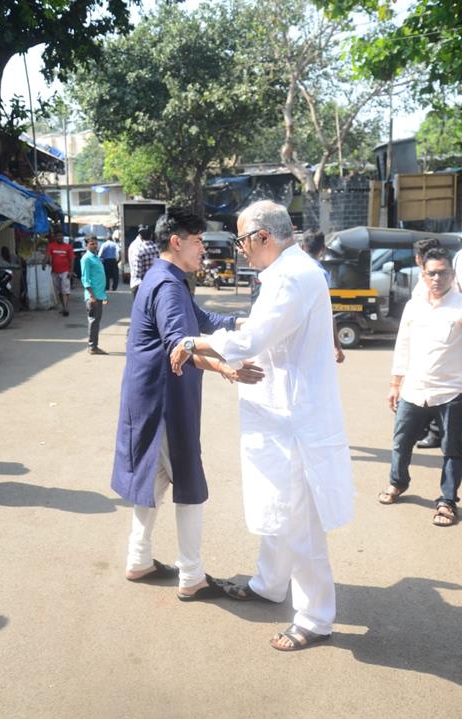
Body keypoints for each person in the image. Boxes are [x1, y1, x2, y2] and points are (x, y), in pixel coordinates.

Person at [171, 200, 353, 650]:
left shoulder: (293, 276)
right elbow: (262, 333)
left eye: (241, 241)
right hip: (277, 417)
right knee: (277, 509)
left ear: (262, 237)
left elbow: (252, 338)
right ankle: (270, 584)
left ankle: (315, 618)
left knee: (302, 523)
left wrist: (194, 340)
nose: (241, 250)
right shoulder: (284, 273)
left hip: (295, 422)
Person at [111, 206, 264, 601]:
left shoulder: (166, 280)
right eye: (197, 242)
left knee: (156, 481)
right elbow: (179, 343)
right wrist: (226, 369)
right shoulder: (167, 285)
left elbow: (198, 318)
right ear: (176, 242)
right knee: (188, 483)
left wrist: (242, 324)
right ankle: (192, 575)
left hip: (152, 399)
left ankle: (139, 559)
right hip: (165, 403)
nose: (203, 250)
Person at [378, 248, 462, 527]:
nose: (437, 278)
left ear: (452, 274)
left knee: (453, 449)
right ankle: (397, 483)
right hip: (413, 389)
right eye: (431, 273)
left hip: (451, 390)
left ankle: (447, 501)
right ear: (423, 275)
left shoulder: (460, 305)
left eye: (443, 272)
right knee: (401, 441)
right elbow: (403, 345)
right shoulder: (414, 305)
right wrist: (394, 384)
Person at [412, 238, 442, 448]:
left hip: (435, 344)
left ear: (419, 258)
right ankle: (425, 428)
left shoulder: (434, 281)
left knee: (436, 389)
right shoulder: (428, 279)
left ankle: (435, 432)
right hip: (423, 344)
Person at [300, 229, 345, 363]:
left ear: (302, 247)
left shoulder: (288, 269)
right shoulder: (321, 274)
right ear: (323, 249)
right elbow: (327, 312)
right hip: (312, 341)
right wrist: (337, 347)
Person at [81, 235, 108, 355]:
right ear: (86, 245)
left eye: (96, 243)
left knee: (96, 321)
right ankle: (92, 347)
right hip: (93, 296)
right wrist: (92, 295)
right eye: (92, 244)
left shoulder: (96, 258)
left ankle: (94, 346)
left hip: (99, 295)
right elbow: (85, 279)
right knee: (93, 321)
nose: (95, 245)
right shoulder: (86, 258)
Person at [43, 227, 74, 317]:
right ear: (55, 237)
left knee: (65, 289)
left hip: (65, 271)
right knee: (60, 290)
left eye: (61, 236)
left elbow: (72, 259)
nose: (60, 237)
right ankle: (63, 306)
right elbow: (48, 255)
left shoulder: (68, 247)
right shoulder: (51, 246)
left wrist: (71, 271)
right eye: (58, 236)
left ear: (63, 237)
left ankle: (65, 308)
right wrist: (44, 263)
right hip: (55, 272)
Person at [128, 224, 159, 298]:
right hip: (156, 283)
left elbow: (137, 273)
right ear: (151, 235)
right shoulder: (158, 248)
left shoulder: (139, 250)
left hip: (142, 285)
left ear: (140, 236)